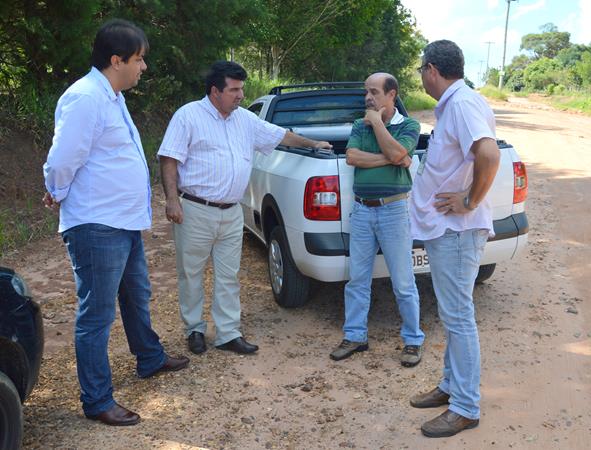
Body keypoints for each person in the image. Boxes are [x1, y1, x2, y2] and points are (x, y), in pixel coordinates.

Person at [42, 19, 189, 427]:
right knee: (97, 315)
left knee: (136, 295)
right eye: (139, 59)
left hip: (121, 221)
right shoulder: (86, 97)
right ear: (116, 59)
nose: (143, 67)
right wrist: (54, 188)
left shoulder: (111, 95)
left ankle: (149, 357)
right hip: (96, 223)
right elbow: (64, 157)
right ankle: (97, 399)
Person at [157, 60, 331, 356]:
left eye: (241, 89)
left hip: (231, 212)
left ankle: (227, 333)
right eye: (234, 90)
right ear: (215, 92)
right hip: (195, 209)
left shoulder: (244, 120)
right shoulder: (188, 116)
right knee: (191, 273)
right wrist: (172, 200)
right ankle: (194, 330)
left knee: (228, 274)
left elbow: (280, 135)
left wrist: (313, 143)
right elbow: (169, 159)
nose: (240, 96)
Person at [408, 40, 501, 438]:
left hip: (457, 231)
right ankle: (450, 386)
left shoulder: (462, 104)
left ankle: (465, 406)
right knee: (451, 314)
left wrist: (469, 200)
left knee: (459, 317)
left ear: (431, 69)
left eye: (420, 72)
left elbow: (489, 154)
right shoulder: (456, 104)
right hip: (447, 230)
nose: (421, 78)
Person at [329, 73, 425, 367]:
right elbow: (352, 158)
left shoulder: (409, 125)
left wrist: (379, 126)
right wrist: (392, 157)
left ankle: (412, 340)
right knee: (357, 280)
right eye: (365, 92)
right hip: (361, 210)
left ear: (391, 95)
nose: (368, 98)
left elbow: (399, 153)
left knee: (403, 282)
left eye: (374, 92)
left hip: (393, 210)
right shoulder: (359, 124)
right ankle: (355, 335)